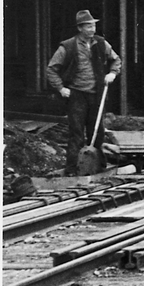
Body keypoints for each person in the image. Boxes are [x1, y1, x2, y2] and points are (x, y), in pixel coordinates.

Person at [45, 10, 122, 176]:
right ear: (80, 28)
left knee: (97, 131)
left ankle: (98, 166)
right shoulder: (68, 46)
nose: (92, 29)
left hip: (97, 94)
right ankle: (72, 169)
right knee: (76, 132)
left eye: (93, 25)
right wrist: (60, 88)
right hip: (77, 95)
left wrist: (112, 73)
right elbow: (51, 69)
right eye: (88, 26)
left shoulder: (101, 43)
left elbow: (116, 59)